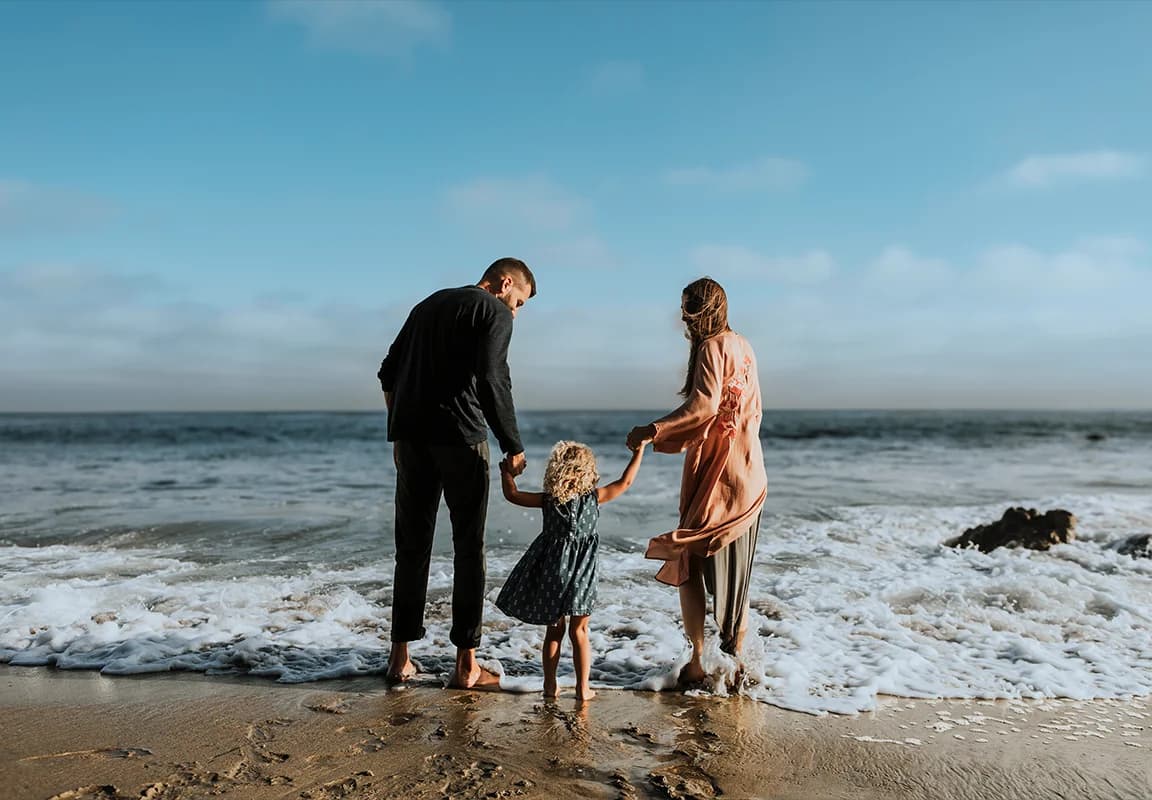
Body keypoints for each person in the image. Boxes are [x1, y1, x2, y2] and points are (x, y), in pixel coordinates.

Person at [377, 257, 536, 689]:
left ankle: (399, 659)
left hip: (412, 441)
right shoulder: (494, 310)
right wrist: (513, 444)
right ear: (505, 283)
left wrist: (398, 432)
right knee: (468, 548)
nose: (516, 312)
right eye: (519, 302)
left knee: (411, 548)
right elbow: (492, 378)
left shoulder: (427, 305)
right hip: (462, 440)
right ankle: (466, 665)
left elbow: (388, 372)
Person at [626, 277, 767, 686]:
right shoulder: (744, 345)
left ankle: (698, 661)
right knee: (734, 575)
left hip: (717, 474)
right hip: (750, 470)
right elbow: (752, 411)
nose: (684, 320)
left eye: (688, 310)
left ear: (701, 311)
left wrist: (653, 430)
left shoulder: (712, 346)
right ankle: (736, 664)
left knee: (688, 559)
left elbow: (703, 406)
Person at [495, 439, 646, 701]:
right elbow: (626, 482)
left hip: (552, 572)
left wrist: (506, 473)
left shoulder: (548, 500)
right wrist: (639, 452)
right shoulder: (594, 498)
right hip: (582, 574)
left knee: (554, 630)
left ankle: (550, 686)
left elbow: (513, 495)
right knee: (580, 631)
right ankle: (582, 689)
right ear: (586, 471)